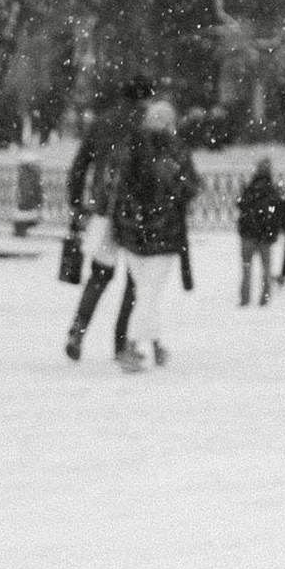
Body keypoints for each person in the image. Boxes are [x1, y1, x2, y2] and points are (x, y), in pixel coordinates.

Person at [112, 99, 198, 372]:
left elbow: (119, 186)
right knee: (149, 294)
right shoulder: (174, 152)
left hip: (131, 233)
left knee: (145, 292)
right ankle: (133, 347)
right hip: (164, 233)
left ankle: (156, 344)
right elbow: (189, 186)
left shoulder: (130, 148)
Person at [63, 84, 144, 363]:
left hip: (105, 209)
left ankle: (78, 329)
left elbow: (79, 165)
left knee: (100, 276)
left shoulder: (103, 122)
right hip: (136, 213)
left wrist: (77, 203)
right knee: (135, 280)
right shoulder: (145, 124)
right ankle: (120, 343)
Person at [236, 157, 283, 306]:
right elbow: (275, 212)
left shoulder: (250, 188)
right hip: (265, 235)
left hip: (249, 233)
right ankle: (265, 297)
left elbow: (242, 206)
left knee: (247, 269)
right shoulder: (272, 191)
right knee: (266, 269)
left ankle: (245, 298)